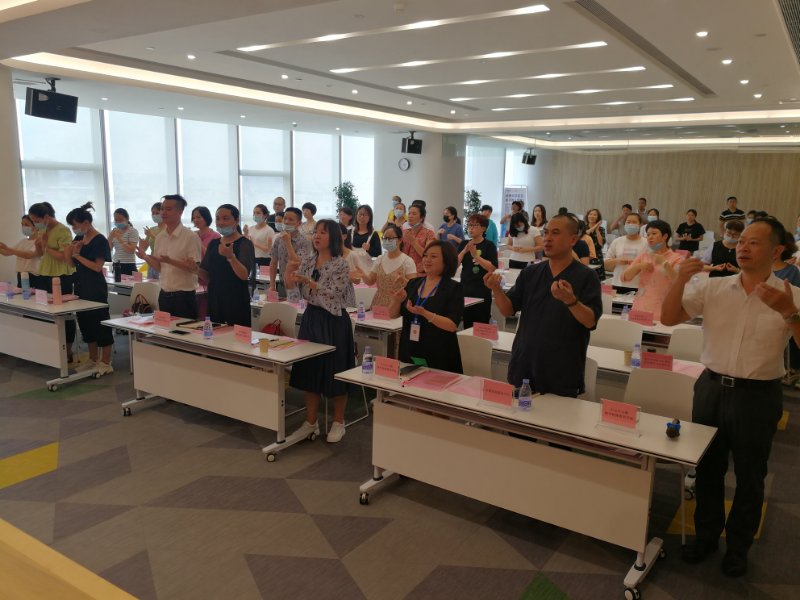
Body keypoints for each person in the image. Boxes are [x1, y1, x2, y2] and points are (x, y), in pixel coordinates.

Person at [662, 218, 800, 578]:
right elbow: (668, 317)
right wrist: (679, 280)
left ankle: (739, 548)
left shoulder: (792, 294)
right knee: (707, 470)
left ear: (777, 250)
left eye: (754, 242)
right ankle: (706, 537)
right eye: (741, 241)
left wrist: (789, 312)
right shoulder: (714, 287)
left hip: (758, 395)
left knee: (751, 476)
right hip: (710, 388)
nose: (743, 247)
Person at [484, 214, 602, 396]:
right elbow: (507, 310)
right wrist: (496, 290)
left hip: (562, 368)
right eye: (546, 233)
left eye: (555, 233)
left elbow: (590, 321)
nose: (547, 238)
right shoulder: (531, 272)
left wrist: (570, 300)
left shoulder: (586, 276)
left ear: (573, 240)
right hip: (525, 361)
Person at [286, 219, 356, 444]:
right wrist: (289, 277)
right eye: (315, 232)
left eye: (322, 232)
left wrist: (310, 282)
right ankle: (311, 421)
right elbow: (295, 296)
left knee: (336, 370)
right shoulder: (308, 260)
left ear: (333, 237)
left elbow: (334, 295)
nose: (316, 236)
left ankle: (338, 421)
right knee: (310, 369)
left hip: (334, 321)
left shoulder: (341, 264)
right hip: (312, 318)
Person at [390, 240, 464, 373]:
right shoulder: (413, 283)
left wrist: (425, 313)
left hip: (439, 354)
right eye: (425, 255)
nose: (427, 260)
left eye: (433, 256)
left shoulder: (453, 288)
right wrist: (396, 301)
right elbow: (392, 315)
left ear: (446, 261)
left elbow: (452, 325)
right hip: (409, 350)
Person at [63, 203, 114, 376]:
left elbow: (97, 267)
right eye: (72, 226)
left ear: (86, 222)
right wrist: (70, 252)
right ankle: (92, 359)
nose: (74, 229)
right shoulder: (79, 238)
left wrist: (78, 255)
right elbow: (71, 264)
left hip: (95, 287)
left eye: (75, 225)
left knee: (100, 322)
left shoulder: (100, 240)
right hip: (80, 285)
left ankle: (105, 362)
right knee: (85, 323)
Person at [135, 194, 202, 319]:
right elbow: (160, 268)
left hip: (184, 296)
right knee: (164, 330)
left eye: (168, 209)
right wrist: (145, 257)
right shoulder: (160, 237)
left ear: (180, 212)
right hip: (164, 294)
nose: (163, 212)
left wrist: (170, 261)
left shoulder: (191, 237)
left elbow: (194, 269)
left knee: (184, 330)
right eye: (162, 209)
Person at [28, 202, 77, 363]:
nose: (36, 224)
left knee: (63, 313)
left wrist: (46, 246)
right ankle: (49, 348)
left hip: (61, 275)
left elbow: (64, 257)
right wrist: (40, 245)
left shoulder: (63, 230)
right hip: (44, 273)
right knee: (44, 311)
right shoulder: (42, 230)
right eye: (34, 221)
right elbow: (40, 253)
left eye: (37, 220)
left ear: (46, 217)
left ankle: (67, 350)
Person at [198, 204, 255, 327]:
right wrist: (194, 268)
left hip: (236, 299)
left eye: (225, 218)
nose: (220, 223)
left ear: (236, 220)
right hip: (215, 297)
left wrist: (231, 257)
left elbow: (244, 275)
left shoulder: (244, 243)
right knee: (215, 333)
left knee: (235, 336)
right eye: (218, 219)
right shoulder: (214, 243)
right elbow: (208, 276)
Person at [622, 219, 683, 317]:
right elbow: (625, 277)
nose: (650, 237)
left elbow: (679, 282)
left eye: (654, 234)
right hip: (640, 307)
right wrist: (639, 266)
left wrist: (665, 263)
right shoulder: (644, 256)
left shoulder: (677, 258)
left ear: (665, 236)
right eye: (648, 234)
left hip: (662, 309)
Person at [356, 224, 416, 308]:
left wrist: (403, 280)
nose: (387, 241)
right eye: (385, 238)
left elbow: (413, 288)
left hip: (397, 305)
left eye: (390, 238)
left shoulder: (407, 261)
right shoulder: (380, 259)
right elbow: (370, 281)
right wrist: (363, 275)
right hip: (378, 304)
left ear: (400, 240)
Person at [458, 213, 499, 328]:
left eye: (475, 225)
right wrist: (464, 251)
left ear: (483, 228)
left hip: (482, 288)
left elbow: (492, 267)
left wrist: (476, 256)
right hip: (465, 288)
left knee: (481, 324)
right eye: (469, 225)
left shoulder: (489, 245)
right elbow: (454, 265)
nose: (471, 228)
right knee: (467, 323)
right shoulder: (464, 244)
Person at [772, 230, 800, 385]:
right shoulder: (760, 267)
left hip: (783, 315)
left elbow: (795, 299)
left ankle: (791, 368)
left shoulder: (792, 271)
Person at [269, 207, 312, 296]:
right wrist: (272, 285)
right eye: (285, 218)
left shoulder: (305, 241)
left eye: (291, 220)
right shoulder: (279, 239)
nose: (286, 222)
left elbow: (296, 263)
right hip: (282, 283)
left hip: (298, 285)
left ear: (299, 223)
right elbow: (273, 262)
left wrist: (288, 242)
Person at [604, 213, 647, 293]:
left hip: (639, 286)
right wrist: (617, 261)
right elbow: (605, 263)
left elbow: (650, 265)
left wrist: (638, 264)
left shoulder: (646, 243)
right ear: (624, 224)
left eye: (634, 222)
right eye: (628, 222)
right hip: (618, 283)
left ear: (640, 225)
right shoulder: (617, 241)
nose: (631, 224)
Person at [0, 215, 41, 288]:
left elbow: (28, 255)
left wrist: (7, 248)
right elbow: (7, 253)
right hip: (21, 276)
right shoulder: (23, 241)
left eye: (26, 225)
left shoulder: (39, 241)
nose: (23, 227)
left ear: (35, 226)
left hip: (34, 277)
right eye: (22, 224)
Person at [402, 204, 436, 273]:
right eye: (409, 213)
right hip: (403, 271)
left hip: (420, 273)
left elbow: (428, 255)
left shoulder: (429, 234)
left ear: (421, 218)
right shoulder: (403, 231)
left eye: (414, 214)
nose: (410, 216)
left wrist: (413, 242)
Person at [107, 208, 139, 277]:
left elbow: (131, 250)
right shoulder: (115, 231)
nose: (118, 222)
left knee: (130, 283)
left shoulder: (132, 231)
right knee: (116, 283)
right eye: (116, 220)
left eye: (121, 220)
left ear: (127, 219)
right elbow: (108, 249)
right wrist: (110, 237)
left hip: (128, 264)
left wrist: (119, 238)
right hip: (116, 263)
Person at [244, 204, 274, 270]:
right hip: (252, 258)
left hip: (264, 260)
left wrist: (254, 243)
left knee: (262, 277)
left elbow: (269, 249)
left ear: (265, 215)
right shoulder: (250, 229)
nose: (255, 215)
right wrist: (245, 234)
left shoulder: (269, 230)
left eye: (258, 213)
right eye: (254, 213)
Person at [143, 201, 166, 279]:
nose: (154, 215)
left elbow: (165, 245)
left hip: (163, 262)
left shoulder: (168, 229)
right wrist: (142, 243)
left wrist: (151, 235)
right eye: (153, 213)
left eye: (157, 213)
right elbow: (144, 248)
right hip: (151, 262)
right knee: (151, 284)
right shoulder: (152, 229)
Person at [585, 208, 606, 278]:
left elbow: (601, 244)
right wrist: (595, 226)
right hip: (585, 256)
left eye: (594, 215)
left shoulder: (601, 229)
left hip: (597, 256)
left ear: (598, 218)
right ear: (587, 216)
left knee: (598, 278)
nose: (592, 216)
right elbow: (585, 234)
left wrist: (597, 230)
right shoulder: (584, 227)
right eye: (590, 214)